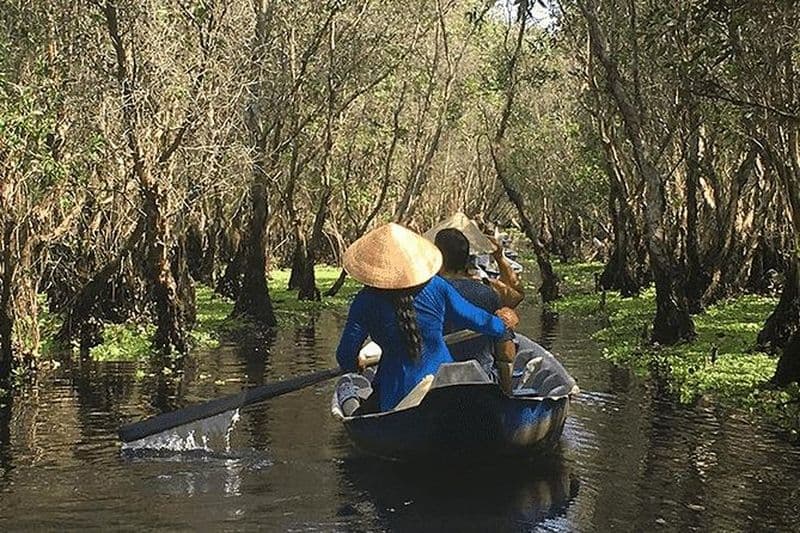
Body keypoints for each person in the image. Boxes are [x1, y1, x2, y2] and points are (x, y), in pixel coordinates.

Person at [336, 223, 517, 413]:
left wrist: (355, 365)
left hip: (395, 396)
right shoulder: (437, 286)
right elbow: (479, 320)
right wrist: (503, 322)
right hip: (445, 386)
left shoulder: (365, 300)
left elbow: (345, 354)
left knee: (359, 411)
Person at [435, 228, 516, 392]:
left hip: (436, 384)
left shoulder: (424, 293)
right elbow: (506, 354)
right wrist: (507, 394)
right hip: (482, 383)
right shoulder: (488, 294)